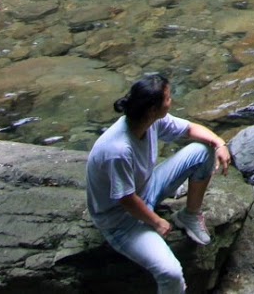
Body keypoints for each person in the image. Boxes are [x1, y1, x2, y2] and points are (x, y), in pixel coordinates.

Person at [86, 73, 233, 294]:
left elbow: (190, 129)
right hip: (120, 218)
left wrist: (219, 142)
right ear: (152, 109)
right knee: (170, 273)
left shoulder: (150, 121)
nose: (171, 101)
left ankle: (189, 215)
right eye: (167, 98)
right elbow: (126, 199)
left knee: (202, 151)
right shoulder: (117, 150)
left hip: (146, 188)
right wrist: (156, 222)